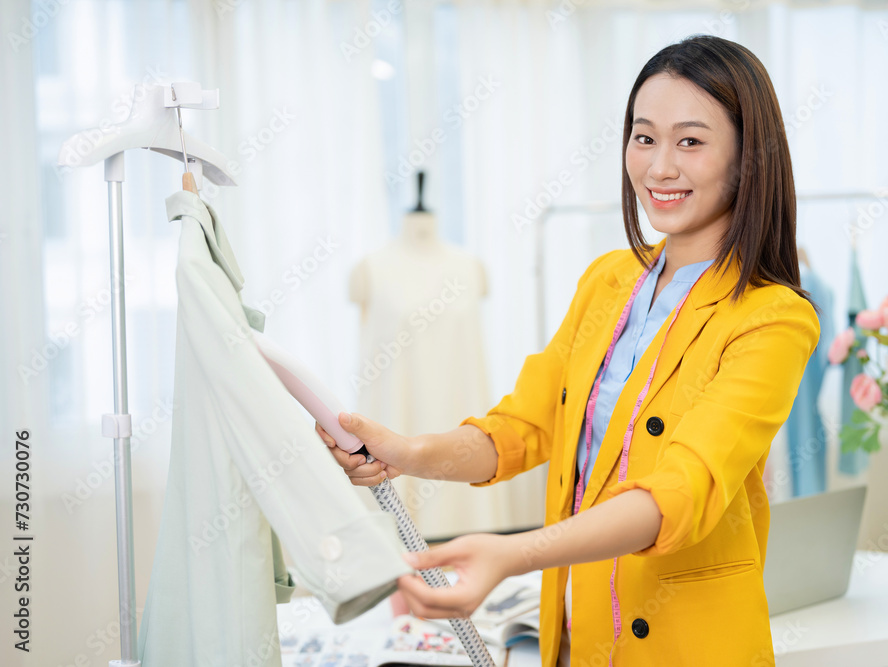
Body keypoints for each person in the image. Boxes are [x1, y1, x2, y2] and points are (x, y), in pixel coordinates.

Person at [318, 34, 820, 667]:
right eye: (644, 137)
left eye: (690, 141)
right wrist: (408, 453)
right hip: (578, 637)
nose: (659, 167)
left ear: (748, 158)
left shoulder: (773, 319)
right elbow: (522, 428)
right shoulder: (608, 282)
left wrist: (514, 553)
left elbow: (680, 493)